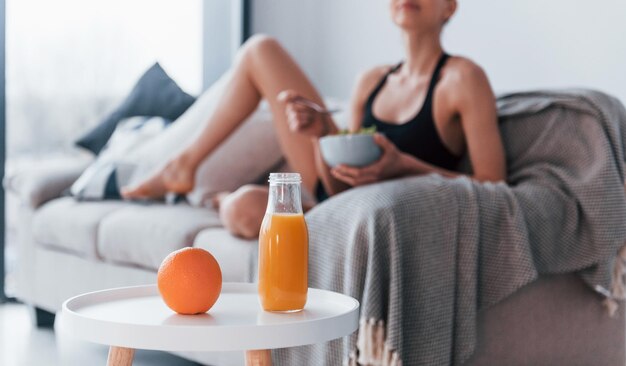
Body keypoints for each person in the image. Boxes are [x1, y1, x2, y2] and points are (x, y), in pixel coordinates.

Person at [122, 0, 506, 239]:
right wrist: (323, 132)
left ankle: (218, 196)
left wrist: (403, 167)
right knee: (260, 49)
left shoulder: (463, 79)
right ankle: (183, 165)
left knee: (243, 209)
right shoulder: (371, 81)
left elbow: (497, 186)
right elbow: (339, 185)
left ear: (449, 7)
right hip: (337, 199)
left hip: (379, 212)